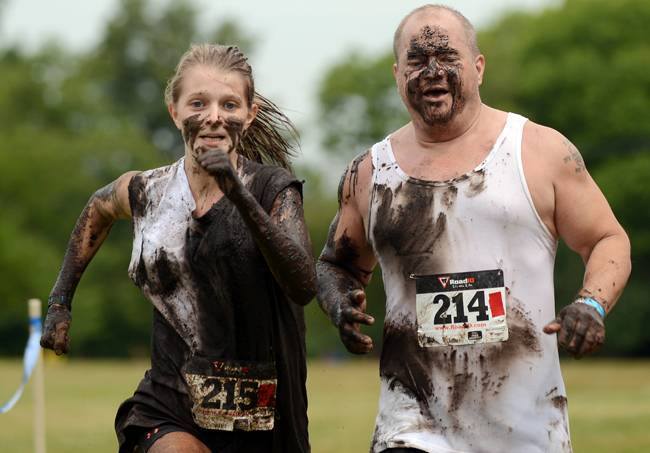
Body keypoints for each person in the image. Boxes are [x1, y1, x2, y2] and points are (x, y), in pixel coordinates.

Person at [316, 4, 631, 453]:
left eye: (447, 57)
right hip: (412, 426)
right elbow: (335, 265)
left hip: (526, 431)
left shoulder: (539, 151)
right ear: (396, 74)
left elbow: (607, 238)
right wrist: (339, 304)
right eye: (417, 60)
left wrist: (592, 305)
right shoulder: (371, 173)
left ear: (478, 67)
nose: (432, 71)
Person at [40, 43, 316, 453]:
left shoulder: (273, 190)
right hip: (172, 399)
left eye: (229, 104)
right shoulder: (147, 191)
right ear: (174, 111)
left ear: (250, 113)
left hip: (260, 408)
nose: (214, 117)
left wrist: (237, 192)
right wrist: (60, 301)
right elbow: (97, 209)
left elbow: (302, 285)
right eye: (198, 103)